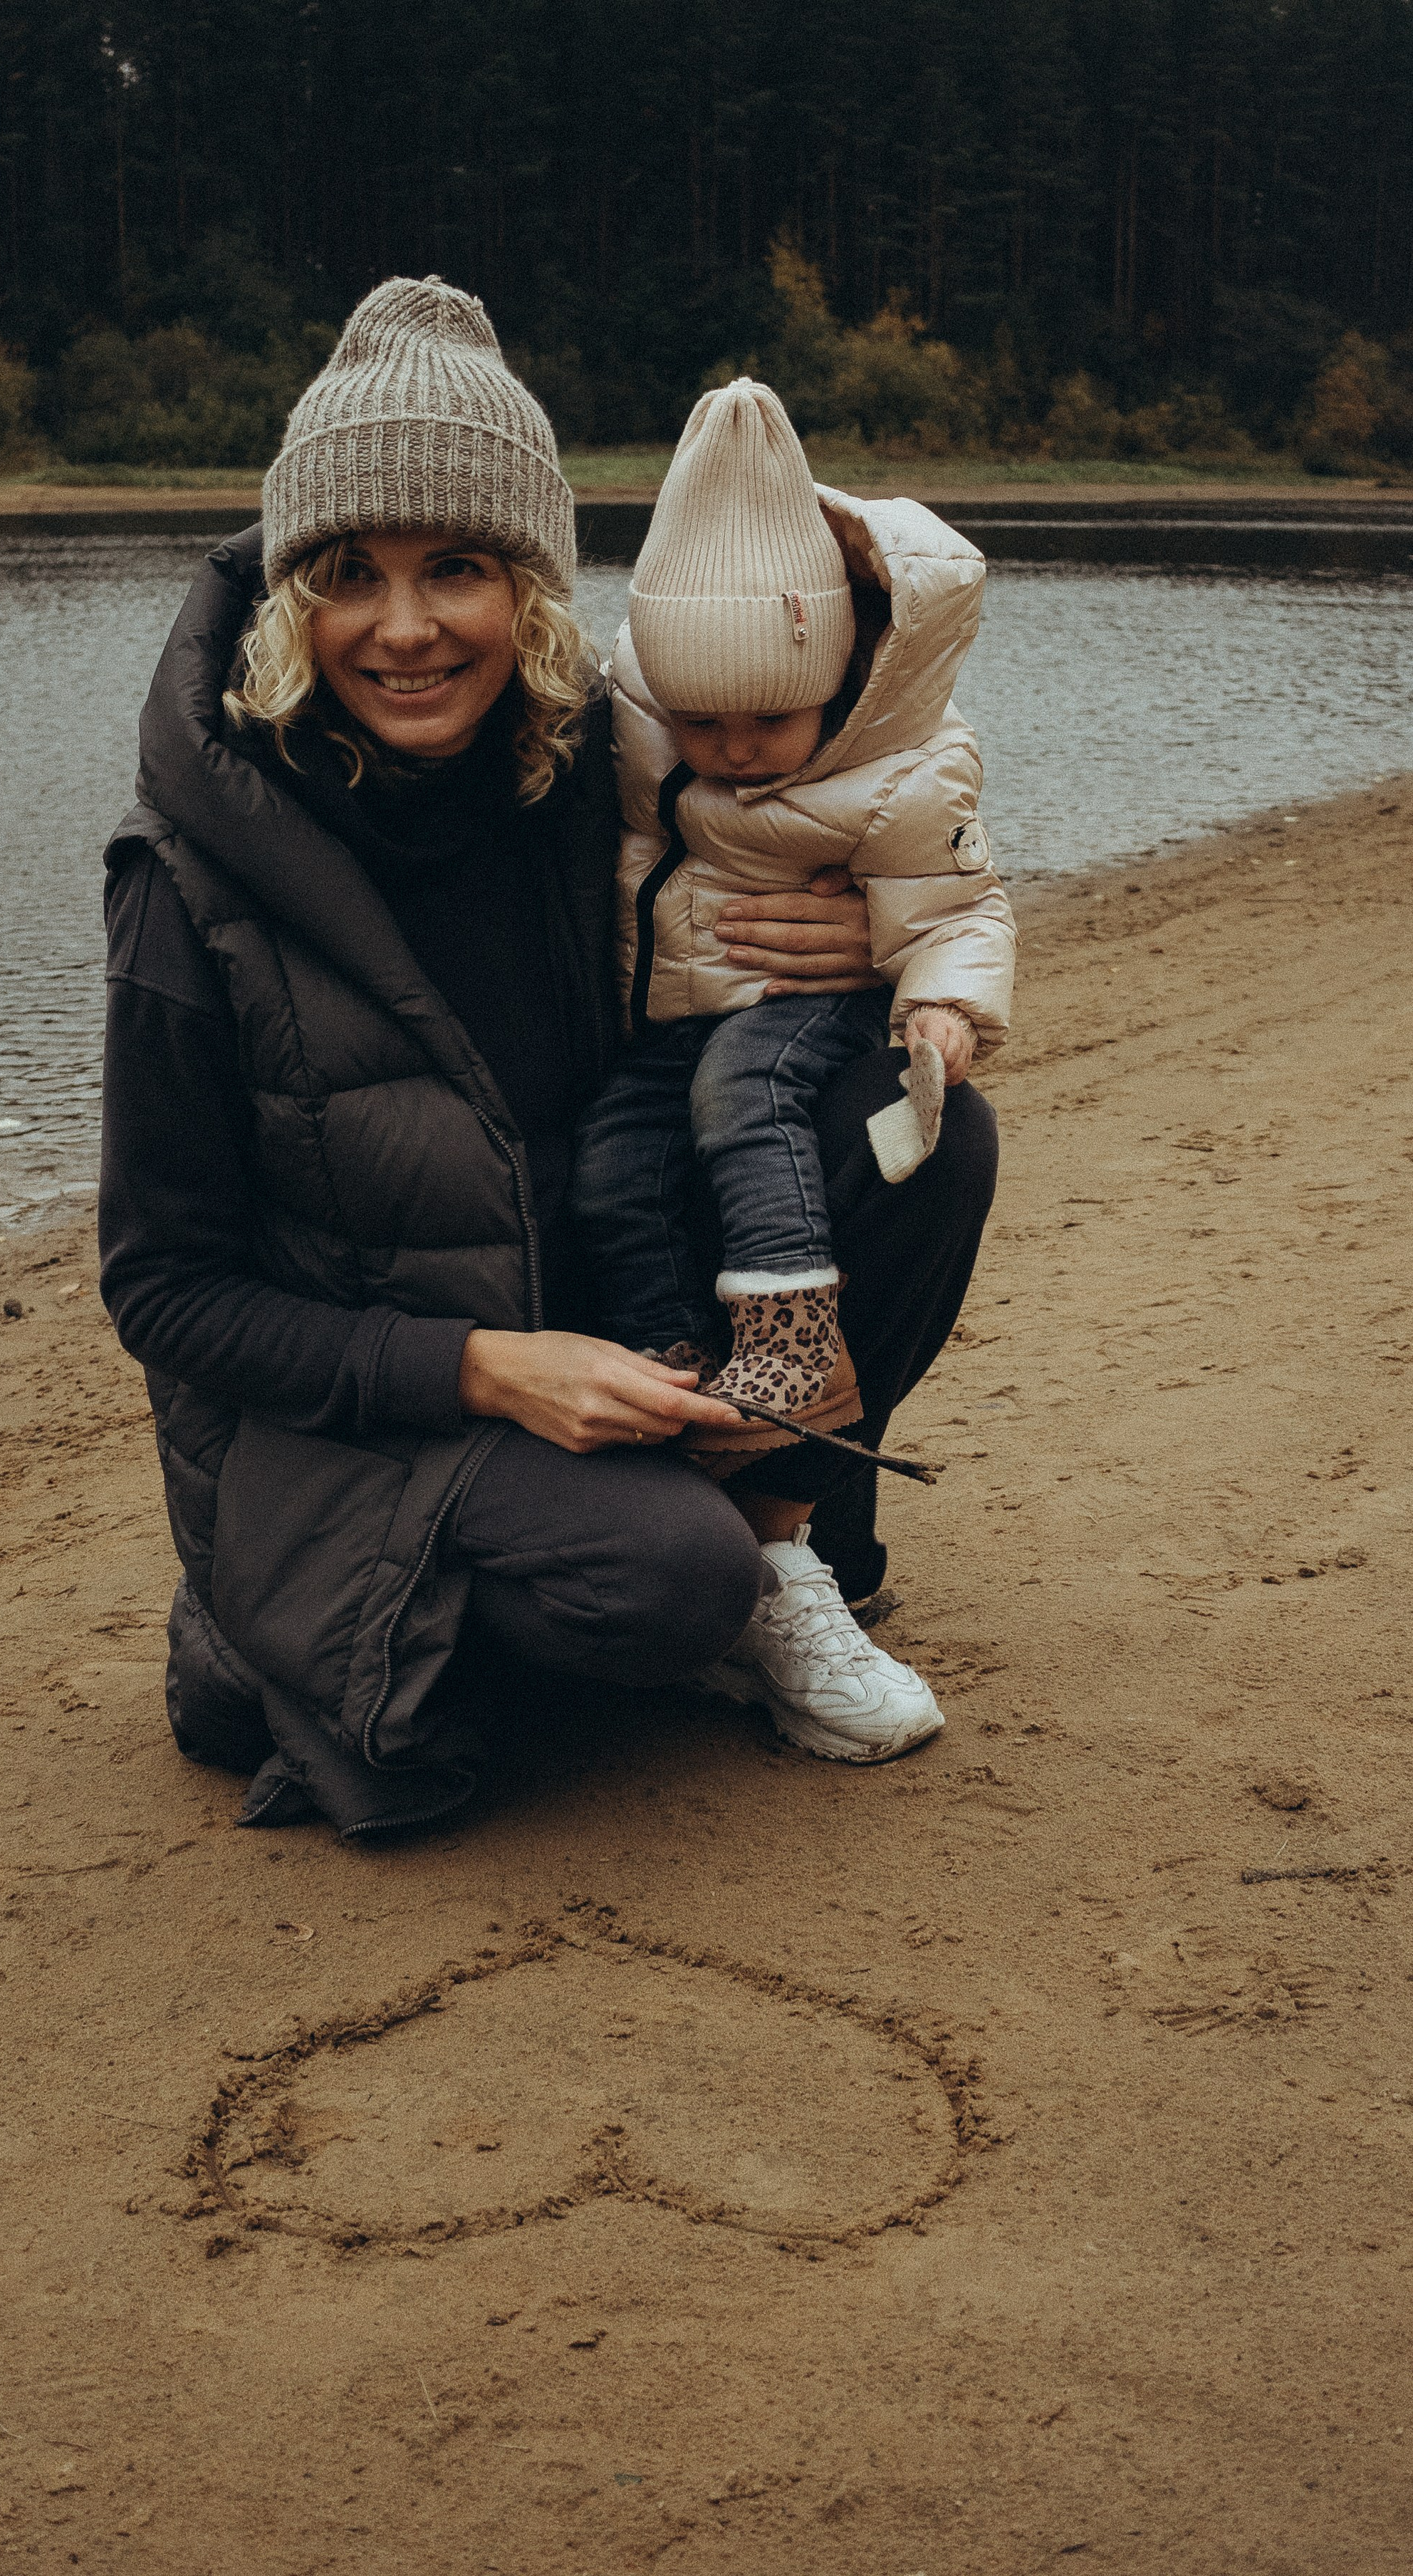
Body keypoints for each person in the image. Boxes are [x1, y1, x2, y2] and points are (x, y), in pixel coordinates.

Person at [98, 274, 999, 1842]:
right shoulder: (188, 883)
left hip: (589, 1317)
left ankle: (781, 1552)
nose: (404, 624)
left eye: (458, 565)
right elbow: (164, 1289)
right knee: (665, 1581)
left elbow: (867, 710)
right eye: (350, 572)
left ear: (530, 590)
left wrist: (869, 949)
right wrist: (485, 1369)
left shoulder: (591, 772)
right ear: (287, 597)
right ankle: (297, 1630)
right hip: (363, 1417)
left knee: (920, 1134)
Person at [568, 380, 1016, 1750]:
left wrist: (932, 1006)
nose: (734, 756)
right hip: (665, 1020)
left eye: (768, 725)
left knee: (771, 1103)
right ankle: (677, 1369)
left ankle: (787, 1339)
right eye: (705, 728)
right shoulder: (635, 739)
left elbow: (961, 907)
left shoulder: (898, 770)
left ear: (839, 680)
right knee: (613, 1164)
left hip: (790, 1016)